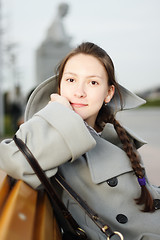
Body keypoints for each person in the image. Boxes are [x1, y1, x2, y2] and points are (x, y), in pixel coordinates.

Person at [0, 42, 160, 240]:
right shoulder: (58, 141)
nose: (79, 92)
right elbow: (15, 160)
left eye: (93, 82)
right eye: (70, 80)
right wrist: (59, 112)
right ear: (59, 87)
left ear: (108, 93)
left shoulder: (112, 134)